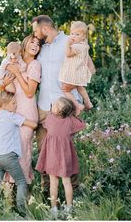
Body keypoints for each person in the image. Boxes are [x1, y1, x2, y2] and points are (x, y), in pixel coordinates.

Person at [32, 15, 95, 193]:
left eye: (36, 31)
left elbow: (90, 68)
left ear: (45, 29)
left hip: (66, 107)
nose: (35, 35)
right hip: (44, 107)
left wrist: (73, 85)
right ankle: (47, 194)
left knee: (66, 151)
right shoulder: (40, 49)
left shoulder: (71, 40)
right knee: (44, 150)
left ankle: (73, 193)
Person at [0, 34, 41, 185]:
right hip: (12, 111)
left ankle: (22, 186)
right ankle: (9, 189)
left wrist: (17, 73)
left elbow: (29, 92)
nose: (35, 45)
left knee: (22, 150)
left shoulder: (35, 65)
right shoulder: (13, 61)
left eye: (38, 44)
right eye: (32, 41)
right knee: (10, 149)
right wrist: (3, 84)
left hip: (27, 111)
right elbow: (5, 90)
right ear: (25, 44)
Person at [35, 97, 86, 216]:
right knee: (67, 182)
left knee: (54, 183)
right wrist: (73, 113)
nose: (52, 105)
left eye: (54, 105)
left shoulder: (50, 118)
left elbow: (45, 124)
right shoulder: (70, 121)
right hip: (65, 157)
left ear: (57, 110)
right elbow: (81, 125)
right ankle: (69, 207)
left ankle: (54, 208)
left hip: (52, 156)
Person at [0, 90, 37, 215]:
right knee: (21, 182)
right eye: (13, 103)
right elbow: (33, 124)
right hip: (9, 156)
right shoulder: (12, 116)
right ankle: (21, 210)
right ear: (5, 106)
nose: (16, 105)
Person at [59, 21, 93, 111]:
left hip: (72, 75)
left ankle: (77, 105)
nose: (73, 36)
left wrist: (67, 44)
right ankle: (87, 101)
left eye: (77, 34)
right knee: (79, 87)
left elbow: (68, 54)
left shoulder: (77, 47)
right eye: (72, 33)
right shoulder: (84, 45)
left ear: (83, 37)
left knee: (65, 90)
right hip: (78, 75)